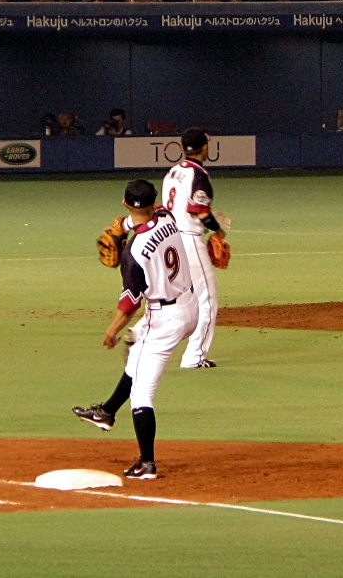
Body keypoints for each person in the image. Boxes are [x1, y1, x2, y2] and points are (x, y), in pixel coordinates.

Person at [72, 179, 198, 479]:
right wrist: (127, 224)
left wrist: (112, 330)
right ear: (155, 202)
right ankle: (106, 412)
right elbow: (148, 215)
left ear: (125, 202)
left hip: (164, 319)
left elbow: (130, 304)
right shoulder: (167, 216)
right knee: (138, 353)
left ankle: (147, 463)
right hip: (191, 307)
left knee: (142, 391)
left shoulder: (133, 252)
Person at [161, 128, 227, 369]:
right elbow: (199, 211)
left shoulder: (171, 173)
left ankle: (139, 339)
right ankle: (194, 357)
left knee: (179, 300)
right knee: (207, 300)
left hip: (169, 242)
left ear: (182, 148)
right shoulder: (199, 175)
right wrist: (218, 229)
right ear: (205, 148)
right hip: (189, 241)